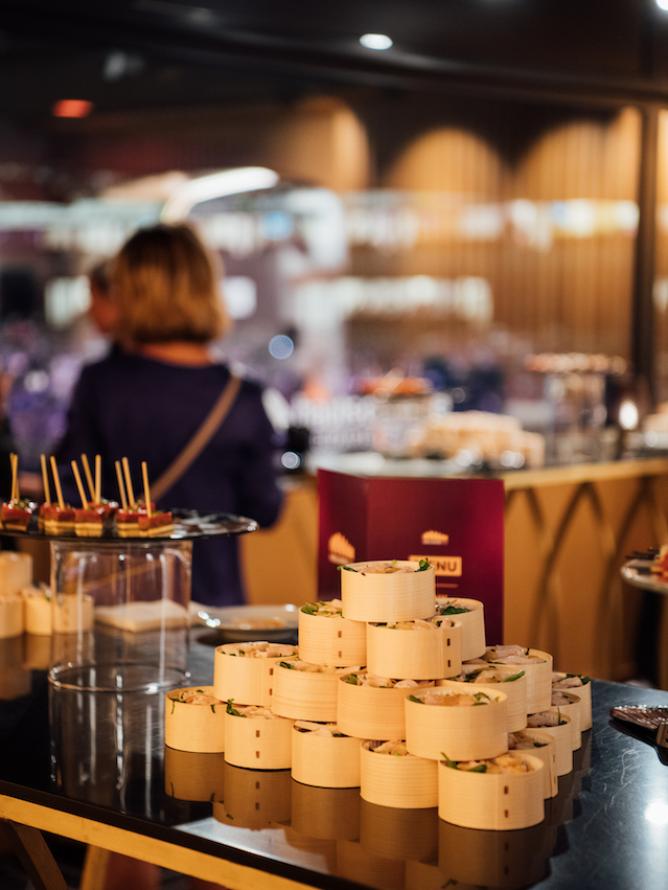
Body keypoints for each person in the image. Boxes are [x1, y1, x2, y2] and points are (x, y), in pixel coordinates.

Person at [56, 223, 283, 605]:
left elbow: (72, 489)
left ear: (130, 292)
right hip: (213, 607)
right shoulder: (242, 396)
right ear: (208, 289)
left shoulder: (102, 384)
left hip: (122, 602)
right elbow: (266, 508)